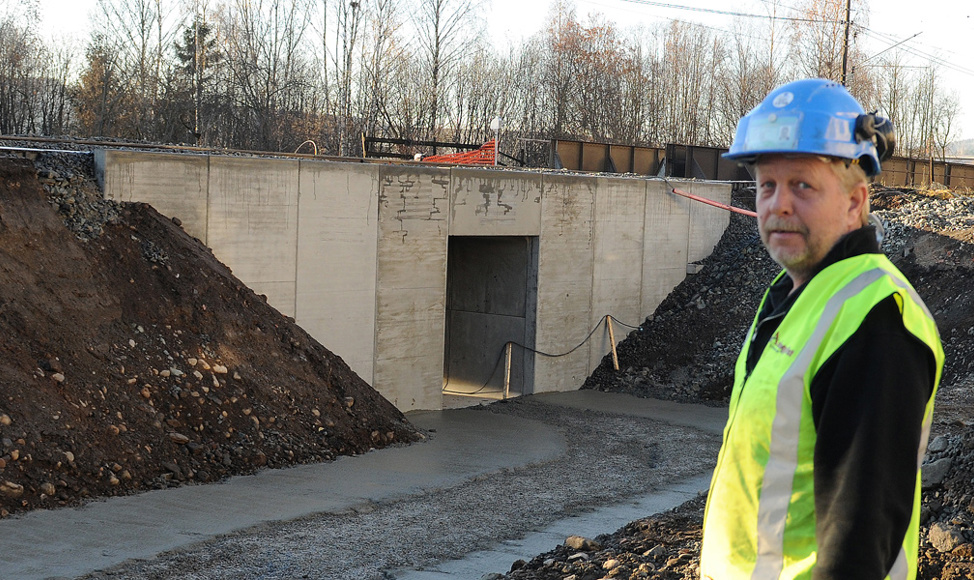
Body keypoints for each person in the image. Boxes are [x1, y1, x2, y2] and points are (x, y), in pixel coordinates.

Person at [700, 78, 945, 580]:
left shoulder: (877, 321)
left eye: (802, 185)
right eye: (768, 185)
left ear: (856, 202)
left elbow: (858, 539)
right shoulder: (794, 298)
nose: (778, 205)